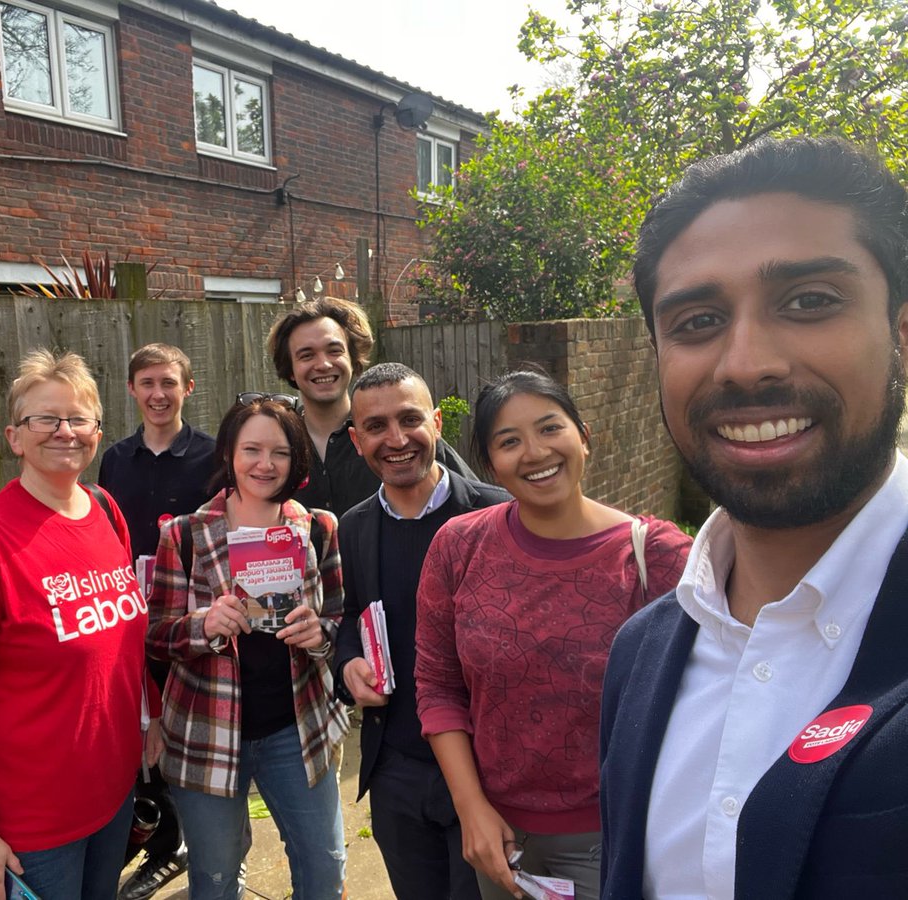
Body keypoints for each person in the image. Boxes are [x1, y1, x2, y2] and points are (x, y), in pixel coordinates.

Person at [599, 136, 908, 899]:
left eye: (809, 302)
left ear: (902, 335)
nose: (745, 363)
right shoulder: (638, 656)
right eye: (698, 321)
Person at [415, 366, 692, 900]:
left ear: (583, 437)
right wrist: (471, 810)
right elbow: (438, 684)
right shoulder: (459, 546)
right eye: (508, 441)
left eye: (550, 428)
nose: (535, 453)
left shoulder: (655, 557)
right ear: (490, 462)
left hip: (616, 835)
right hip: (500, 838)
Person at [0, 350, 156, 900]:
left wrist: (154, 718)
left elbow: (119, 646)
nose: (64, 431)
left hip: (111, 796)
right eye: (44, 419)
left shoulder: (105, 511)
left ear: (98, 431)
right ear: (15, 437)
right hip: (33, 826)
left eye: (79, 419)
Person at [147, 395, 349, 900]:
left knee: (324, 869)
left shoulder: (319, 528)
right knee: (214, 879)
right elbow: (156, 634)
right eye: (251, 450)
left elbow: (342, 618)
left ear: (296, 458)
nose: (265, 464)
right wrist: (204, 624)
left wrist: (321, 634)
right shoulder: (186, 534)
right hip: (206, 732)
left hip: (296, 729)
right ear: (229, 455)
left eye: (279, 452)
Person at [333, 363, 507, 899]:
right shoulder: (354, 526)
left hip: (490, 771)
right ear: (357, 440)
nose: (397, 439)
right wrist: (346, 665)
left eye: (409, 419)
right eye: (378, 426)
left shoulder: (498, 515)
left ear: (435, 422)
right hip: (397, 772)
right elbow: (350, 620)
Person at [98, 343, 215, 900]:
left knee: (182, 730)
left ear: (187, 388)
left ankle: (194, 843)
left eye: (169, 382)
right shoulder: (116, 459)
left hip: (188, 620)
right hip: (126, 619)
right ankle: (166, 839)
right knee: (143, 733)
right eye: (147, 383)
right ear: (132, 390)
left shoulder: (213, 456)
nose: (158, 394)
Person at [266, 296, 477, 516]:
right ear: (290, 368)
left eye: (334, 350)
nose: (324, 364)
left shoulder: (409, 439)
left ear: (353, 358)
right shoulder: (276, 442)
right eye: (307, 355)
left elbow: (476, 502)